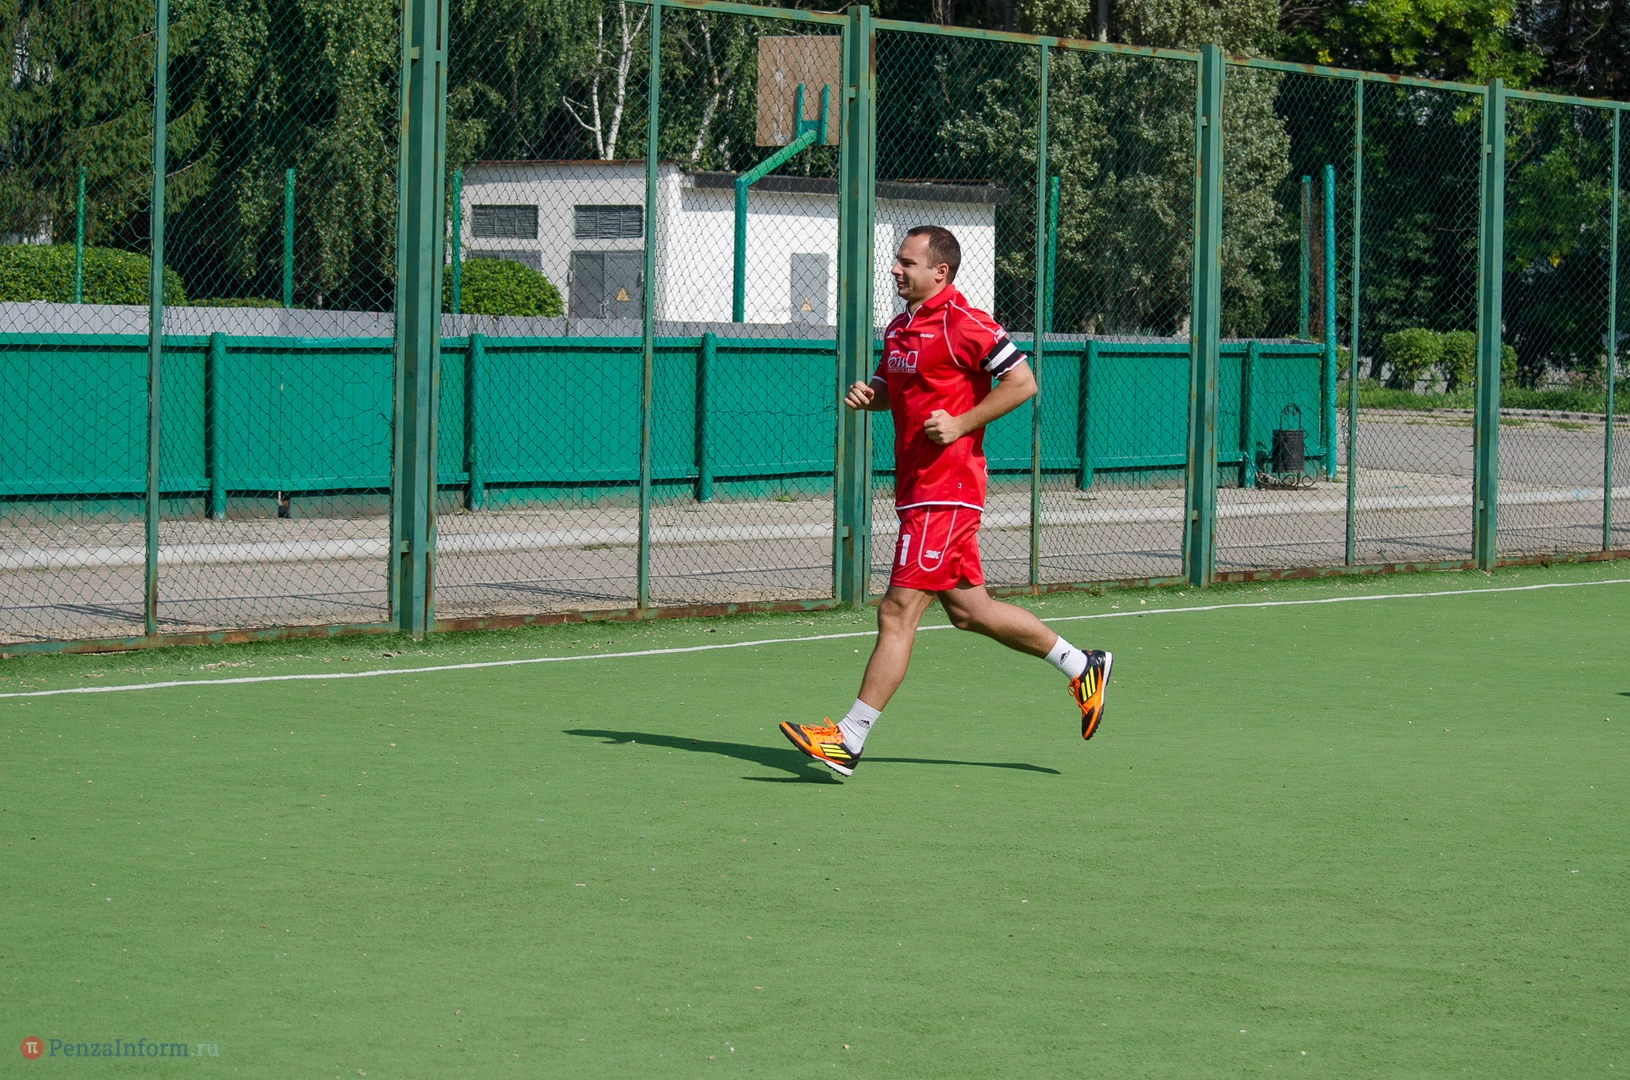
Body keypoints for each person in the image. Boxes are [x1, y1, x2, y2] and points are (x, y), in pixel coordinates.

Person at [780, 225, 1112, 777]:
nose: (895, 269)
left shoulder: (966, 323)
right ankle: (1082, 666)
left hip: (947, 491)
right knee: (969, 612)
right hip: (917, 490)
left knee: (897, 611)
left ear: (941, 272)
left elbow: (1022, 383)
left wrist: (960, 423)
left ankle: (848, 738)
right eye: (896, 260)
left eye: (907, 262)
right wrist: (871, 395)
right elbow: (896, 390)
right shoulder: (899, 328)